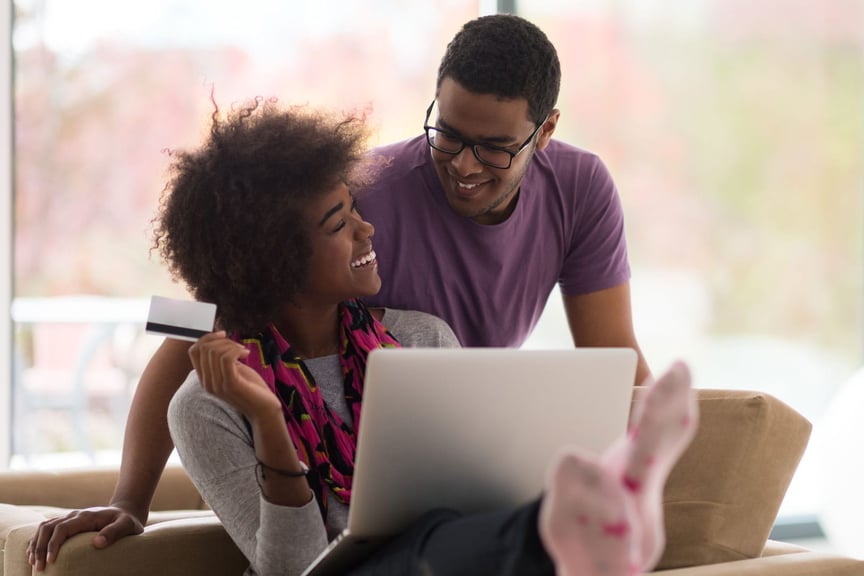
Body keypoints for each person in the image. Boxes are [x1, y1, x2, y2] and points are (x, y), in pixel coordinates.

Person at [28, 13, 654, 562]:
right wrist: (129, 500)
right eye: (449, 134)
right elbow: (196, 320)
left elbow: (615, 355)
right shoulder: (362, 193)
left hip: (454, 427)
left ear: (544, 133)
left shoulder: (579, 190)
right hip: (333, 433)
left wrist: (657, 467)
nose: (463, 164)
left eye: (494, 148)